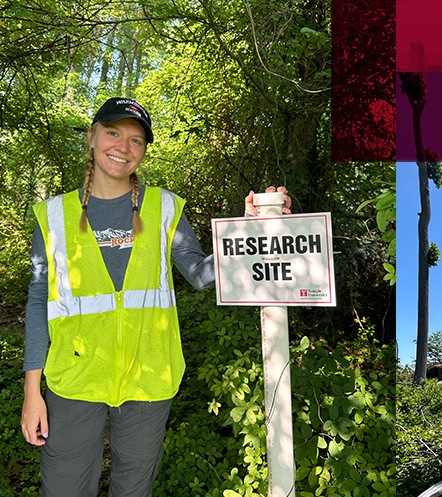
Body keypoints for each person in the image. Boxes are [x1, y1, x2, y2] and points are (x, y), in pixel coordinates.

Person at [18, 97, 291, 497]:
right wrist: (32, 393)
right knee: (63, 489)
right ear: (92, 137)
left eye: (136, 140)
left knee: (134, 489)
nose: (123, 147)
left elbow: (200, 274)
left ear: (144, 151)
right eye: (113, 132)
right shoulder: (53, 215)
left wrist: (252, 228)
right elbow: (39, 301)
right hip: (74, 379)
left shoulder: (163, 207)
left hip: (149, 378)